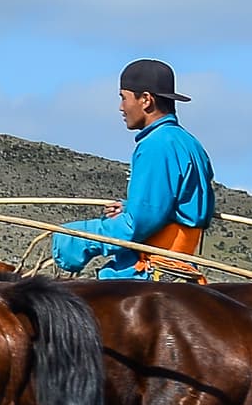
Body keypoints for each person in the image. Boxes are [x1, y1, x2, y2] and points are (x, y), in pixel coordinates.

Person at [49, 58, 214, 281]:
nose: (120, 107)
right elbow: (171, 210)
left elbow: (137, 225)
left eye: (123, 98)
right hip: (180, 269)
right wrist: (128, 209)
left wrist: (73, 238)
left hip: (151, 272)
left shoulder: (157, 145)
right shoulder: (188, 143)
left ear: (146, 100)